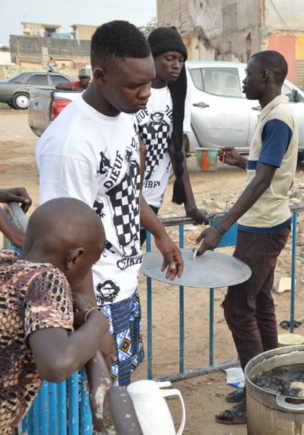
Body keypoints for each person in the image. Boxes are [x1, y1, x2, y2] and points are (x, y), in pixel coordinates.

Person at [36, 20, 184, 387]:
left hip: (123, 284)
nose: (146, 93)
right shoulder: (70, 145)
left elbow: (125, 190)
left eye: (148, 82)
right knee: (98, 402)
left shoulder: (122, 115)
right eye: (136, 85)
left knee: (124, 380)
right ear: (100, 76)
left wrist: (161, 235)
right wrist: (92, 319)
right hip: (93, 300)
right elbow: (66, 247)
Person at [196, 50, 298, 425]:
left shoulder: (278, 119)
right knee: (262, 303)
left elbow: (263, 180)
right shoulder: (272, 115)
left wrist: (221, 226)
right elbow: (265, 168)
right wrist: (240, 161)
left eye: (249, 74)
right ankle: (271, 382)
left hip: (263, 227)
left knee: (238, 307)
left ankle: (259, 393)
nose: (244, 81)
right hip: (265, 224)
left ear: (267, 75)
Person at [0, 198, 108, 433]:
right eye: (91, 264)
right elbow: (57, 364)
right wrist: (98, 321)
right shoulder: (47, 278)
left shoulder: (7, 266)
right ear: (75, 258)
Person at [135, 27, 208, 246]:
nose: (177, 65)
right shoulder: (134, 91)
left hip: (153, 195)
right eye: (170, 58)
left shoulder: (178, 94)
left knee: (133, 253)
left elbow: (176, 148)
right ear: (151, 58)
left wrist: (190, 204)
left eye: (181, 60)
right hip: (126, 195)